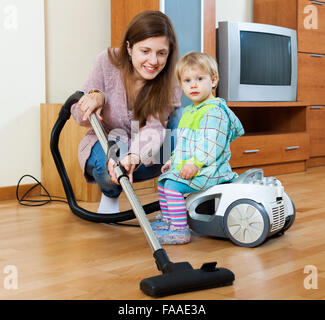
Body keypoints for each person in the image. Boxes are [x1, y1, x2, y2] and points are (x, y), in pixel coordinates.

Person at [71, 11, 182, 214]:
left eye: (161, 53)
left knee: (181, 117)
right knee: (116, 150)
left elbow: (156, 127)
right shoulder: (106, 61)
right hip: (106, 147)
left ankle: (176, 193)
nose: (154, 61)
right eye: (145, 51)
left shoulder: (170, 80)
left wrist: (134, 156)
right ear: (129, 48)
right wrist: (97, 97)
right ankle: (110, 194)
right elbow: (78, 116)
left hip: (148, 155)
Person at [153, 51, 245, 245]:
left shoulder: (214, 112)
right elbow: (185, 142)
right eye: (187, 80)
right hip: (194, 166)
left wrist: (195, 163)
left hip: (210, 170)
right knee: (163, 182)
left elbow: (211, 145)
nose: (193, 84)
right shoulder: (190, 111)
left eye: (199, 79)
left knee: (172, 186)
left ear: (213, 81)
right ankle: (169, 221)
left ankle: (179, 230)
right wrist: (173, 160)